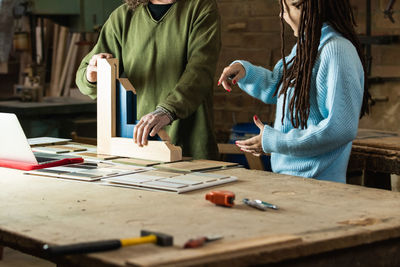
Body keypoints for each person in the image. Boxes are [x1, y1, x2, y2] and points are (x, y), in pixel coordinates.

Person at [218, 0, 370, 183]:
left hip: (319, 185)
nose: (283, 15)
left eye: (291, 6)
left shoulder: (336, 50)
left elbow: (339, 129)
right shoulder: (305, 47)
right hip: (290, 180)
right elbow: (277, 85)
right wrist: (245, 72)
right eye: (282, 7)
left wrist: (275, 141)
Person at [76, 0, 220, 159]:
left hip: (190, 144)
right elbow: (85, 76)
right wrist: (92, 76)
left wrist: (167, 110)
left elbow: (200, 70)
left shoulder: (200, 7)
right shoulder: (123, 16)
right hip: (138, 145)